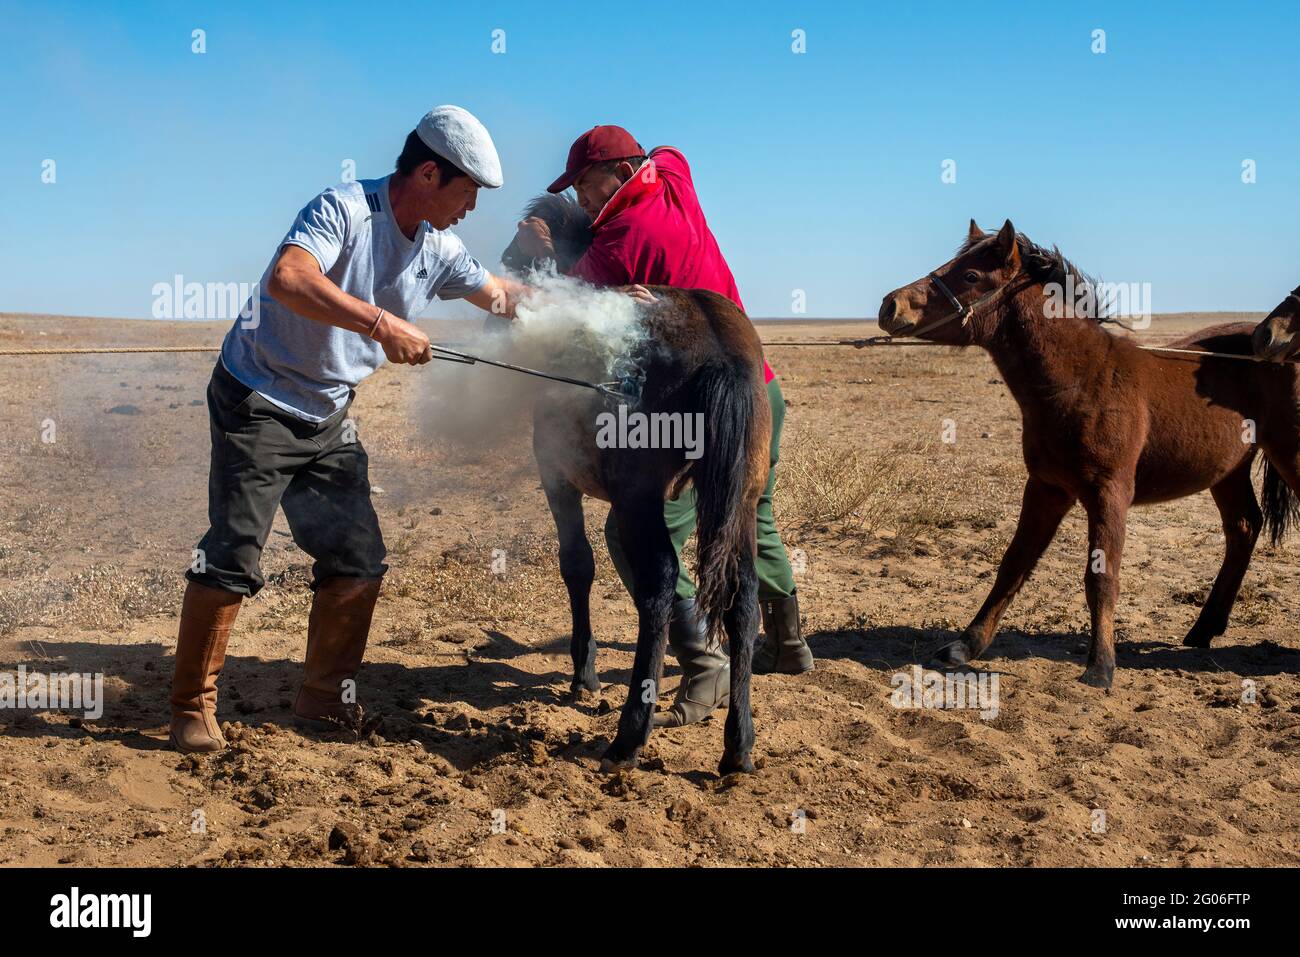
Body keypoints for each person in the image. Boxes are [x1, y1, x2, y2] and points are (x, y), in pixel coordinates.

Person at [169, 106, 529, 753]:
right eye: (467, 190)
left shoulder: (440, 249)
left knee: (357, 560)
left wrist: (597, 309)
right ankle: (189, 705)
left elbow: (500, 295)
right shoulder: (344, 210)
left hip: (329, 414)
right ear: (427, 172)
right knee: (233, 553)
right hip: (258, 397)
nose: (473, 206)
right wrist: (380, 324)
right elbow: (289, 278)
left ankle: (322, 700)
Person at [516, 125, 814, 731]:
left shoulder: (617, 246)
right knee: (749, 514)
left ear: (622, 175)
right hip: (761, 391)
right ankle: (787, 641)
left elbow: (559, 303)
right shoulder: (674, 178)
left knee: (632, 537)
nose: (582, 198)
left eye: (587, 184)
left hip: (691, 402)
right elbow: (671, 152)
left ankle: (705, 664)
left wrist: (544, 251)